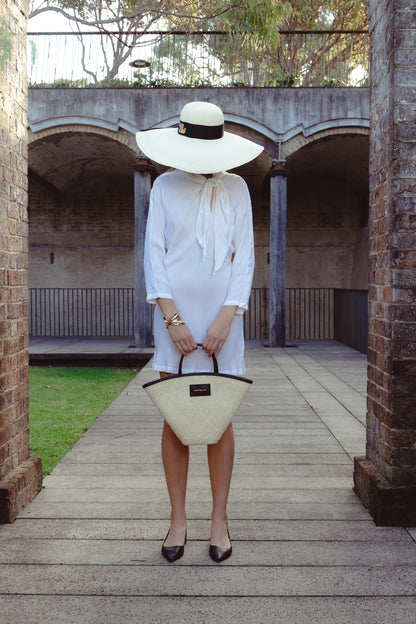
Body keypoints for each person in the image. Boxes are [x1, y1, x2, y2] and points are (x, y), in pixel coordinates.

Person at [136, 101, 263, 563]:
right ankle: (177, 519)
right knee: (175, 417)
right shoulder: (164, 186)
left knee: (219, 418)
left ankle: (218, 520)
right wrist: (173, 322)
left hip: (224, 318)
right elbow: (155, 255)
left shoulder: (238, 189)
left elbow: (244, 258)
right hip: (173, 317)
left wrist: (227, 318)